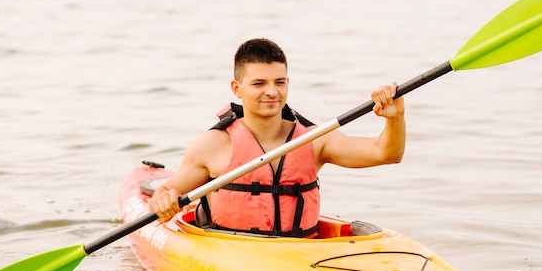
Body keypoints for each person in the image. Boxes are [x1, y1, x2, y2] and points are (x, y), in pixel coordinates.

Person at [149, 38, 406, 237]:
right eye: (259, 83)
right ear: (237, 89)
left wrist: (394, 118)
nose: (271, 92)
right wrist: (163, 200)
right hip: (229, 251)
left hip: (298, 255)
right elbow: (166, 192)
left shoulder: (314, 140)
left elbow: (387, 154)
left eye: (279, 82)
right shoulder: (213, 145)